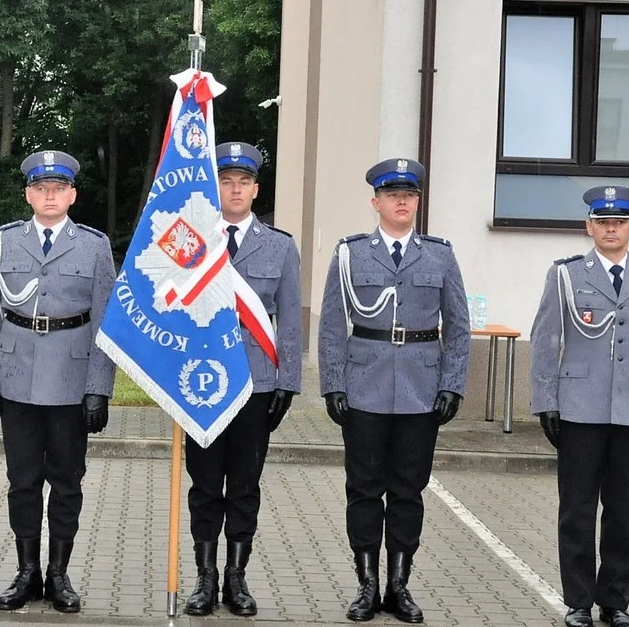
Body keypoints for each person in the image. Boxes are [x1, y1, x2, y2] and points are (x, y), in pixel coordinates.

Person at [317, 158, 470, 623]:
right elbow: (329, 324)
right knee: (363, 489)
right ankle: (366, 586)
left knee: (408, 491)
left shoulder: (440, 254)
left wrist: (453, 385)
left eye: (409, 194)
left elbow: (459, 327)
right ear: (375, 202)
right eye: (392, 194)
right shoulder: (351, 253)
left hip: (422, 390)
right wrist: (332, 384)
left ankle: (398, 587)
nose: (401, 201)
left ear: (418, 201)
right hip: (365, 385)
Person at [529, 186, 629, 627]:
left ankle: (614, 602)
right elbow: (546, 339)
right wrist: (546, 401)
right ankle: (578, 601)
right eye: (602, 221)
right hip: (579, 409)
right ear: (589, 227)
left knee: (622, 513)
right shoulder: (566, 275)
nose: (610, 228)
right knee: (576, 511)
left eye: (619, 222)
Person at [0, 150, 116, 613]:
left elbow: (104, 321)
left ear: (72, 194)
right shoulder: (4, 242)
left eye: (58, 189)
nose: (49, 196)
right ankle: (27, 572)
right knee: (23, 481)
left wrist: (99, 387)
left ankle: (58, 574)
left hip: (72, 378)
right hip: (16, 377)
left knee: (67, 480)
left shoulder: (94, 245)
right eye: (40, 188)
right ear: (28, 194)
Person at [182, 142, 301, 617]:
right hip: (202, 382)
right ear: (216, 188)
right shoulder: (192, 241)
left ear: (255, 189)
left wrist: (288, 382)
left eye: (243, 182)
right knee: (205, 484)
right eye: (226, 182)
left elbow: (290, 320)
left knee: (245, 486)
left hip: (256, 384)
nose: (235, 189)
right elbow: (174, 311)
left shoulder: (280, 246)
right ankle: (205, 579)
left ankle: (237, 578)